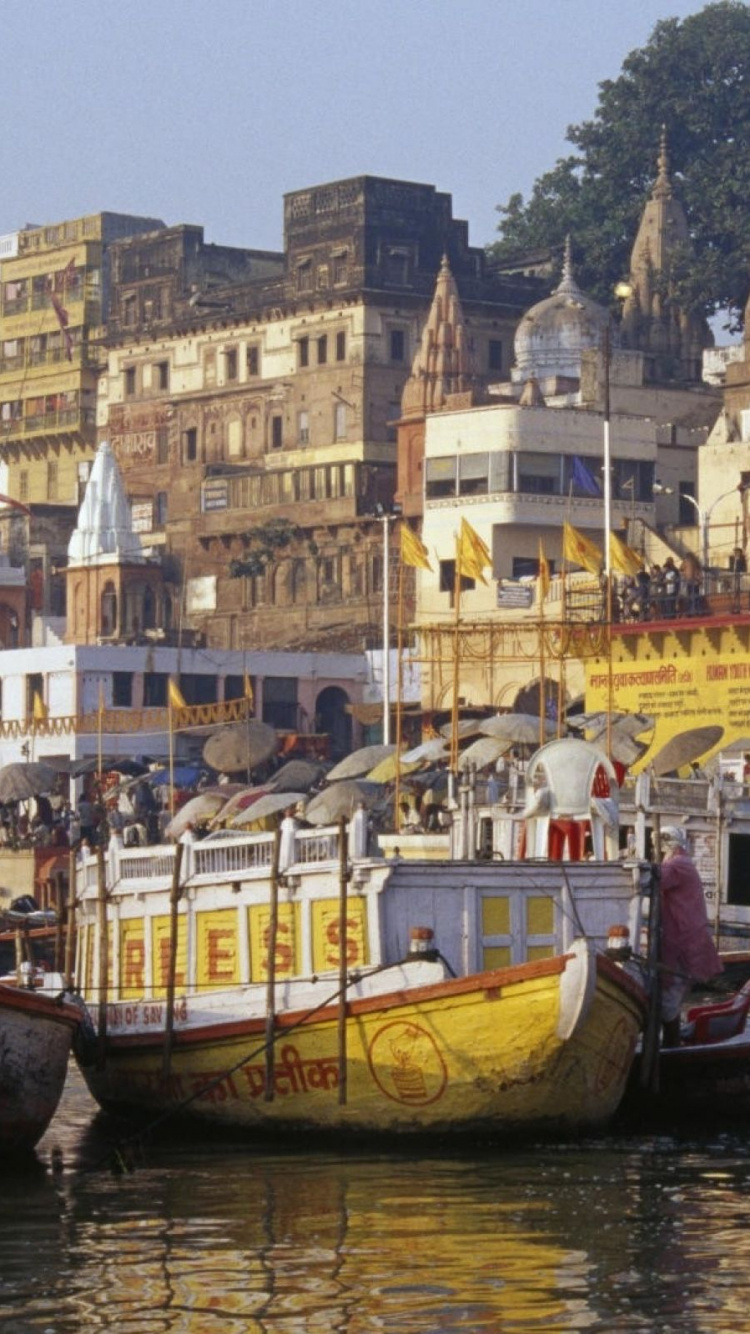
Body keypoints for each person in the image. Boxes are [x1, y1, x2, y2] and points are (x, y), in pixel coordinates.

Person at [658, 825, 723, 1047]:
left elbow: (653, 880)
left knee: (670, 999)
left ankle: (672, 1046)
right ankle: (671, 1042)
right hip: (683, 938)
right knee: (670, 998)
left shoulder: (677, 865)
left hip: (682, 941)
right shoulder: (679, 863)